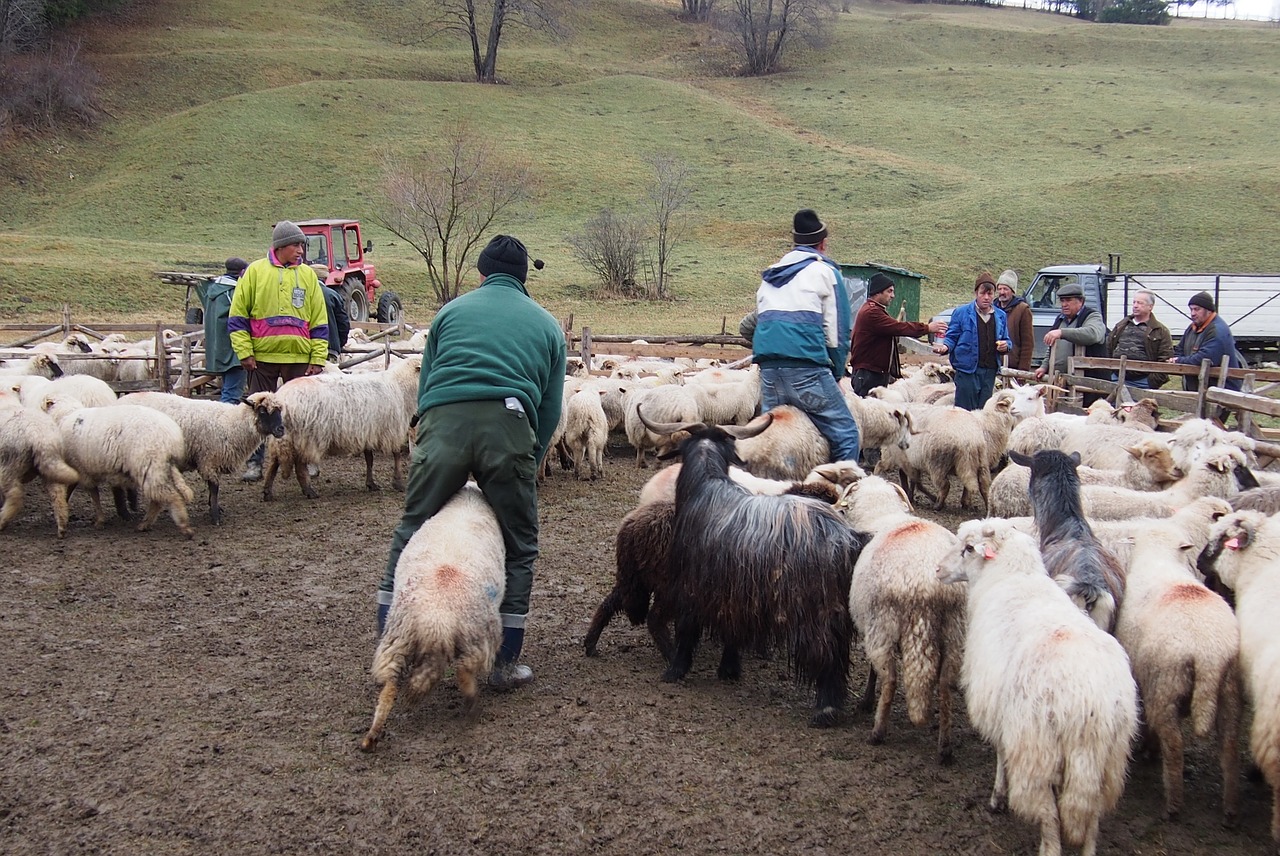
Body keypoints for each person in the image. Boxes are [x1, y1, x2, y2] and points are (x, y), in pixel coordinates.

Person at [379, 234, 565, 692]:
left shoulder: (449, 312)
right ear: (524, 280)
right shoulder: (546, 325)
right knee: (519, 544)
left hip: (443, 422)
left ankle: (393, 645)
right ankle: (501, 662)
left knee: (414, 525)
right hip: (509, 425)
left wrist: (428, 431)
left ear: (480, 274)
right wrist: (532, 459)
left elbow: (425, 387)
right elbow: (551, 407)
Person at [752, 209, 860, 462]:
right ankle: (840, 495)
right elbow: (836, 331)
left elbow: (759, 322)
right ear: (822, 243)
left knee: (774, 434)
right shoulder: (825, 272)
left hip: (768, 371)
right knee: (846, 434)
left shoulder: (769, 276)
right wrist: (836, 373)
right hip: (807, 368)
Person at [230, 220, 330, 481]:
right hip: (262, 359)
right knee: (258, 415)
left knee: (304, 416)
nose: (301, 250)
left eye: (302, 245)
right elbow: (238, 317)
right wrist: (245, 352)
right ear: (282, 245)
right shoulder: (254, 272)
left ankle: (308, 460)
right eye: (297, 245)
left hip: (298, 359)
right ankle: (254, 464)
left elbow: (319, 320)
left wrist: (317, 358)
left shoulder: (308, 276)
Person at [850, 272, 946, 397]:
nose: (893, 296)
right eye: (889, 291)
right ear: (878, 292)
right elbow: (898, 327)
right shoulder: (872, 313)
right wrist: (927, 328)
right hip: (868, 374)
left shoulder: (874, 310)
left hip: (873, 372)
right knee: (868, 411)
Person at [933, 272, 1010, 411]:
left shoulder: (1000, 316)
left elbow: (1007, 340)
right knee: (964, 412)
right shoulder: (962, 313)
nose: (986, 298)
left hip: (989, 372)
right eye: (983, 293)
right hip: (967, 371)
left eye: (990, 294)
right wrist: (945, 347)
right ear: (976, 293)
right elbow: (952, 336)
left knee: (984, 412)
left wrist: (1006, 346)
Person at [196, 257, 249, 403]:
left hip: (218, 349)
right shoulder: (233, 292)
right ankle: (225, 424)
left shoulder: (212, 290)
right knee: (231, 395)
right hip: (234, 351)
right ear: (243, 272)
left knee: (227, 389)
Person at [1168, 291, 1243, 393]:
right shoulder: (1192, 328)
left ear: (1208, 310)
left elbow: (1204, 358)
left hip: (1220, 389)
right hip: (1199, 387)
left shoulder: (1217, 330)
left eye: (1197, 309)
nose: (1193, 313)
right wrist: (1178, 358)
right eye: (1191, 309)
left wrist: (1178, 361)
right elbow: (1180, 349)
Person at [1033, 281, 1108, 381]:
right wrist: (1044, 366)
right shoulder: (1060, 319)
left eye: (1068, 300)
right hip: (1060, 380)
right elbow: (1051, 347)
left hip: (1087, 382)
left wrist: (1062, 333)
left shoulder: (1092, 316)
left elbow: (1092, 334)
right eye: (1062, 301)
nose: (1064, 304)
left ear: (1081, 301)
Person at [1106, 289, 1172, 390]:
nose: (1135, 306)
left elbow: (1165, 358)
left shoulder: (1160, 331)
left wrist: (1151, 382)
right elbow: (1108, 348)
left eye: (1140, 303)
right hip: (1116, 378)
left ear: (1150, 306)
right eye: (1134, 302)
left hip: (1143, 382)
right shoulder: (1120, 326)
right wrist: (1110, 374)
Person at [310, 263, 350, 363]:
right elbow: (343, 323)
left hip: (306, 348)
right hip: (329, 348)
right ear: (325, 278)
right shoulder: (333, 295)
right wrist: (338, 344)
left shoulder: (302, 294)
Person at [995, 269, 1033, 373]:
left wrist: (1022, 371)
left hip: (1013, 367)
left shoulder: (1023, 310)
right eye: (1000, 289)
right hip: (993, 366)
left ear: (1012, 291)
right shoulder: (992, 309)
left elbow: (1027, 344)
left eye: (1005, 289)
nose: (1002, 292)